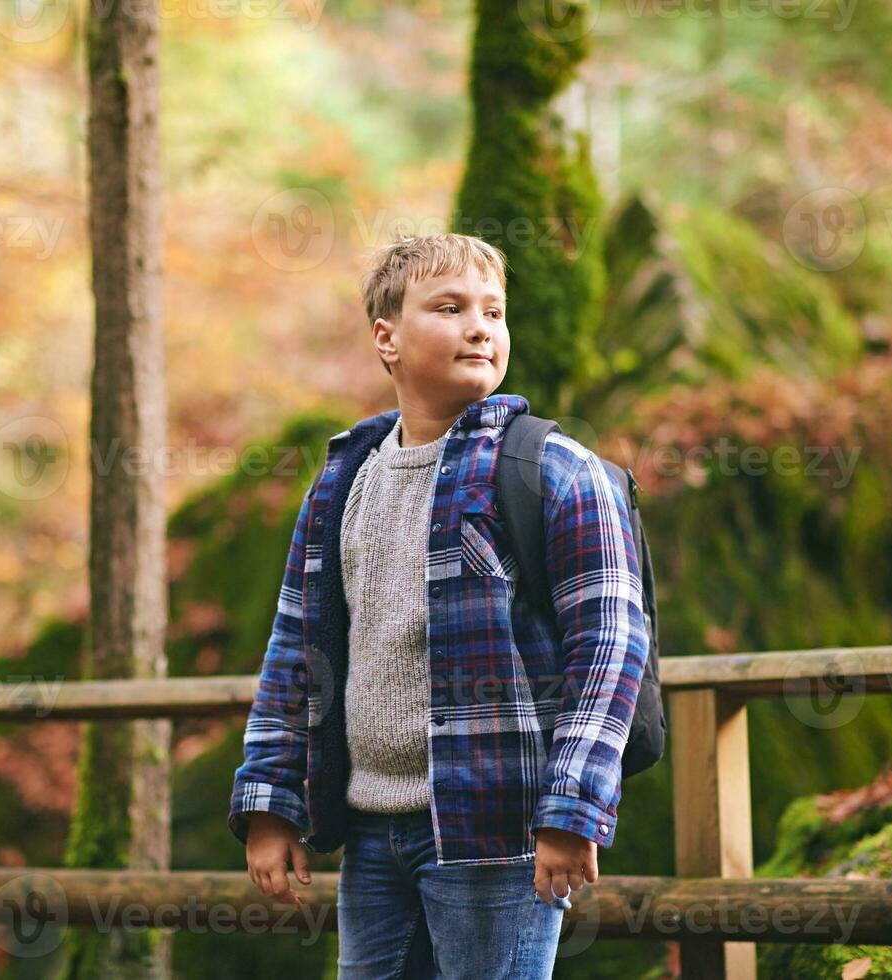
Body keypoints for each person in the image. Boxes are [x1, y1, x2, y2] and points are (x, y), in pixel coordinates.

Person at [228, 232, 650, 978]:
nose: (480, 326)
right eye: (450, 307)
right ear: (386, 339)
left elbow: (610, 644)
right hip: (370, 829)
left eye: (494, 310)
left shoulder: (554, 469)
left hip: (501, 831)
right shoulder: (341, 482)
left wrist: (572, 808)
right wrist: (269, 805)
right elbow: (295, 649)